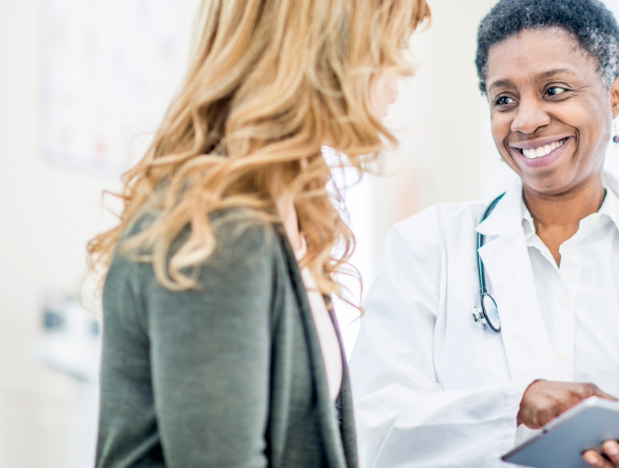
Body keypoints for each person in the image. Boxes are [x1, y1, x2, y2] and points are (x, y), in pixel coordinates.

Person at [348, 0, 619, 467]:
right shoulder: (428, 249)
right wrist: (516, 404)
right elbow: (369, 426)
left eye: (555, 90)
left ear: (615, 95)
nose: (525, 120)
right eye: (504, 99)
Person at [86, 0, 430, 466]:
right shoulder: (219, 230)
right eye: (391, 45)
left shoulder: (290, 218)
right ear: (330, 48)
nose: (403, 70)